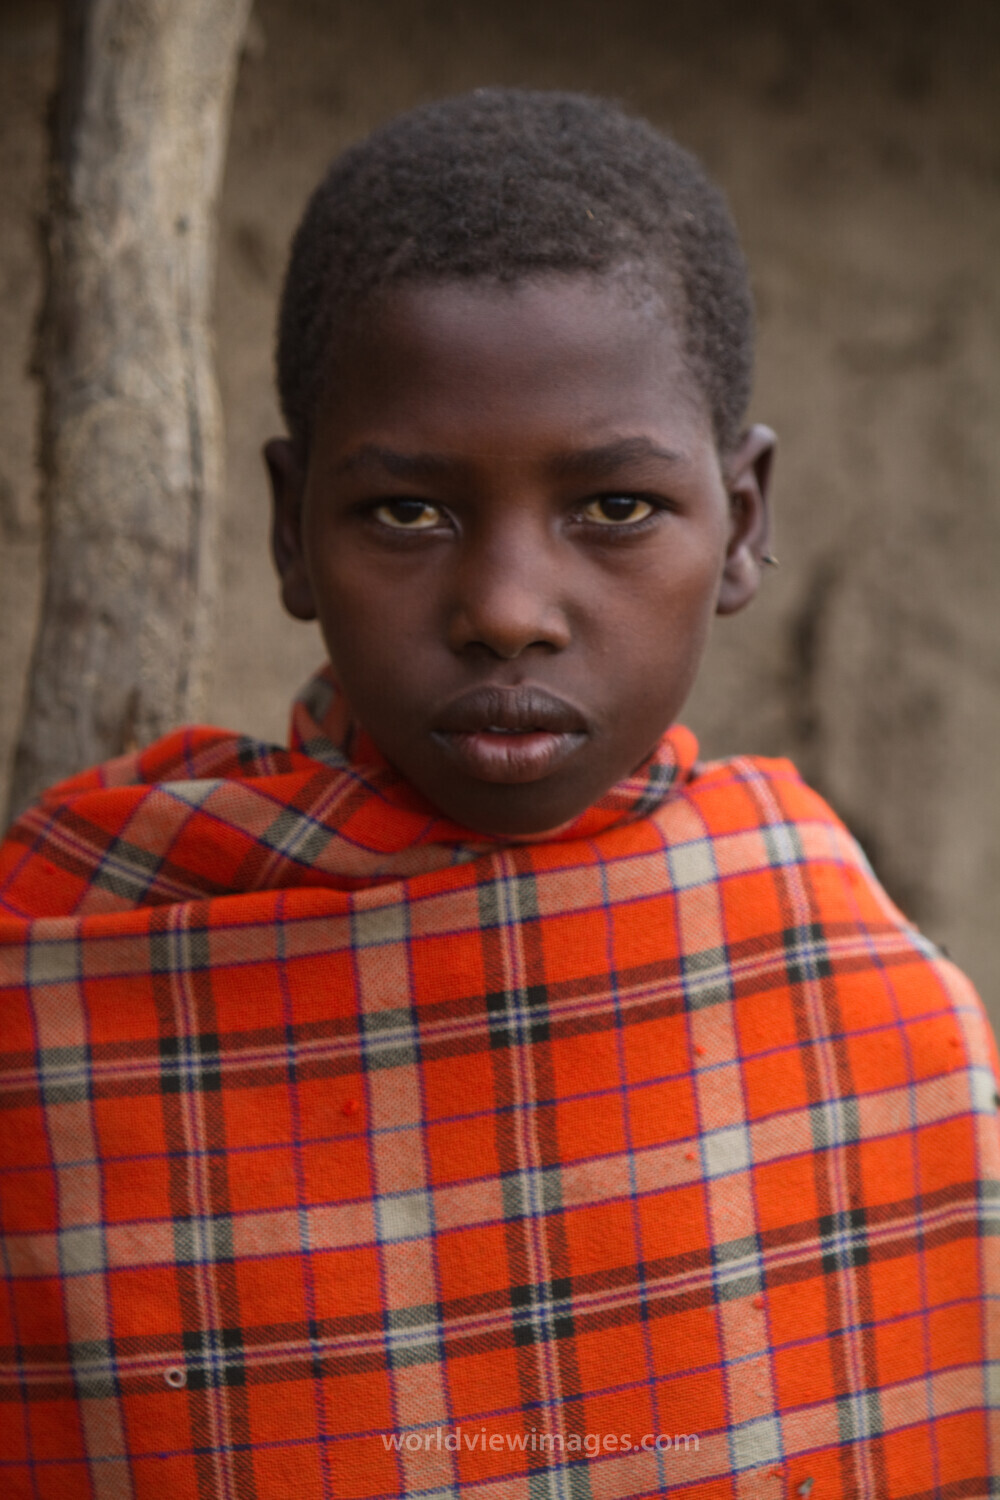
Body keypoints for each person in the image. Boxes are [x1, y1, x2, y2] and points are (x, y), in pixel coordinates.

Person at [0, 89, 996, 1499]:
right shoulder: (64, 985)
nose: (508, 612)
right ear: (293, 533)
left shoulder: (868, 1021)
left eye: (615, 507)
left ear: (744, 521)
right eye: (408, 513)